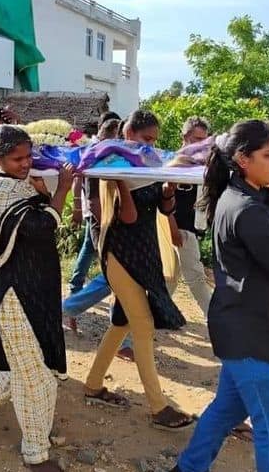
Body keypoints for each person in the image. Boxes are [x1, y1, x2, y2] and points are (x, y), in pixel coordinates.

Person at [166, 120, 269, 472]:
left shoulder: (244, 195)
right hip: (249, 332)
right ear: (242, 159)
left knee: (228, 408)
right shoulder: (246, 207)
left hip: (242, 322)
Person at [0, 126, 73, 472]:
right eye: (17, 159)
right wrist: (62, 192)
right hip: (11, 293)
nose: (25, 165)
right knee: (38, 377)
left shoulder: (17, 184)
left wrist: (42, 193)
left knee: (16, 369)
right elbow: (41, 227)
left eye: (28, 157)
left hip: (30, 289)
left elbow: (33, 217)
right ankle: (35, 452)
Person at [83, 110, 193, 431]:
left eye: (154, 140)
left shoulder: (149, 164)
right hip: (119, 251)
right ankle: (158, 407)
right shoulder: (110, 163)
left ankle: (92, 384)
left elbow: (163, 207)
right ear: (129, 132)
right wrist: (121, 181)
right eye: (145, 139)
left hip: (144, 251)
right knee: (142, 325)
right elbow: (128, 217)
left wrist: (170, 186)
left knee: (121, 323)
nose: (150, 145)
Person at [61, 117, 134, 360]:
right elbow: (93, 198)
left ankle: (122, 339)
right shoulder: (98, 157)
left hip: (119, 226)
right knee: (114, 277)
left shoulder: (117, 157)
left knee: (119, 280)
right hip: (104, 225)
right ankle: (68, 307)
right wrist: (107, 229)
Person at [171, 116, 213, 315]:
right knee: (196, 278)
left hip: (189, 228)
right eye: (197, 139)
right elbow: (164, 199)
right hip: (179, 229)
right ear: (184, 137)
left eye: (204, 140)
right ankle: (215, 319)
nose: (201, 144)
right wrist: (171, 229)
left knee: (168, 279)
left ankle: (152, 316)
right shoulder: (176, 162)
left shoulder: (201, 163)